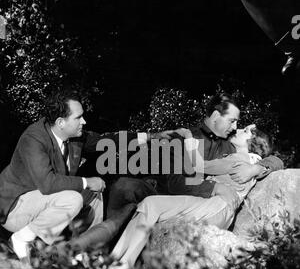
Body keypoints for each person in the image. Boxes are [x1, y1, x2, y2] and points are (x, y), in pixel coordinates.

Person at [0, 88, 175, 265]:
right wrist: (86, 182)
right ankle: (21, 240)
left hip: (46, 203)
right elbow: (47, 184)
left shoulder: (75, 136)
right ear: (61, 122)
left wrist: (151, 136)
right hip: (16, 209)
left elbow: (107, 142)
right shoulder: (34, 138)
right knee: (74, 198)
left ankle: (82, 252)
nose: (84, 121)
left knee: (94, 195)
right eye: (78, 117)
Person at [102, 124, 283, 269]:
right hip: (216, 210)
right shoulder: (246, 162)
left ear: (252, 143)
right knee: (151, 205)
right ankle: (120, 262)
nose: (237, 129)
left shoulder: (239, 160)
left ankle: (121, 263)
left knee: (151, 204)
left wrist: (188, 138)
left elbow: (198, 165)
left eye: (244, 131)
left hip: (215, 207)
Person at [106, 93, 283, 233]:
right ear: (215, 116)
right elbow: (175, 183)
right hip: (165, 190)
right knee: (124, 186)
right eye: (232, 121)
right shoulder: (183, 138)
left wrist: (256, 167)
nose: (235, 127)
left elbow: (275, 159)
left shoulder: (231, 147)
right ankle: (104, 246)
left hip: (199, 204)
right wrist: (213, 187)